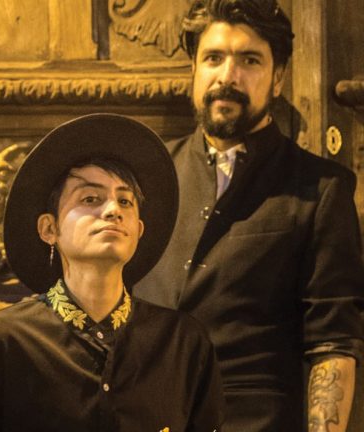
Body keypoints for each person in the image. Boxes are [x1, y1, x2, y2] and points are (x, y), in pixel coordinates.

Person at [133, 1, 364, 431]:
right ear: (194, 70)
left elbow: (333, 345)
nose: (228, 76)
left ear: (278, 79)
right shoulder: (149, 175)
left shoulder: (321, 189)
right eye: (213, 58)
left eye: (249, 60)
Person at [0, 114, 223, 431]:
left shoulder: (183, 343)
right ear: (49, 229)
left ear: (139, 230)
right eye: (91, 198)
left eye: (125, 201)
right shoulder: (1, 342)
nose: (113, 210)